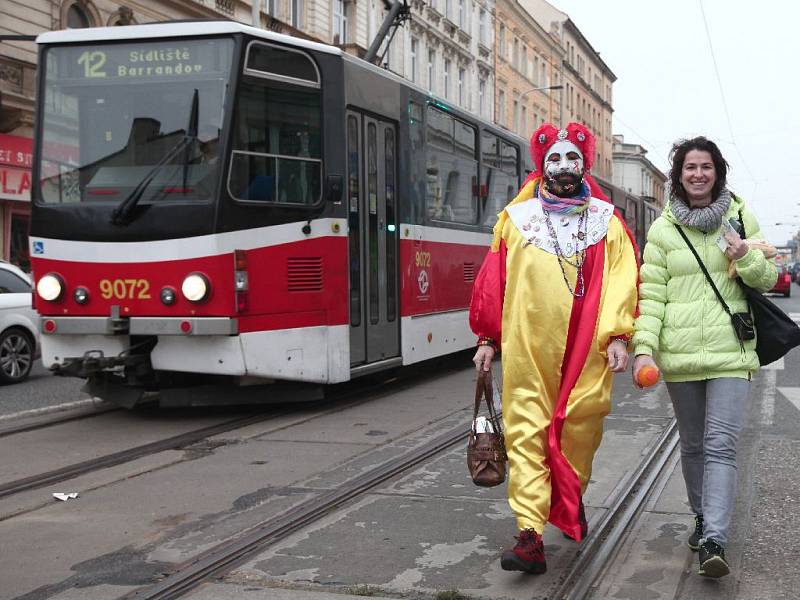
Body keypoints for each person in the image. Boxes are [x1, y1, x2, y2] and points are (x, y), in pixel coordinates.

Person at [469, 122, 639, 575]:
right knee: (526, 430)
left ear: (584, 164)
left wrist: (619, 335)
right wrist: (487, 337)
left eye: (572, 159)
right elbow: (494, 281)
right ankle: (529, 534)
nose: (564, 168)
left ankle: (569, 495)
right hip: (528, 346)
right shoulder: (515, 219)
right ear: (541, 165)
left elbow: (623, 281)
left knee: (577, 431)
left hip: (586, 348)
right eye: (555, 160)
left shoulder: (608, 223)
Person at [631, 136, 777, 579]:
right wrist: (642, 349)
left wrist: (744, 258)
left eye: (706, 167)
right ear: (678, 176)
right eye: (690, 168)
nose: (698, 174)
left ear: (718, 172)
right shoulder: (662, 229)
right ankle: (701, 516)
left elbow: (768, 277)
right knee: (693, 446)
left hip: (730, 353)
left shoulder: (738, 216)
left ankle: (714, 538)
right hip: (678, 357)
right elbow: (651, 295)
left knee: (720, 445)